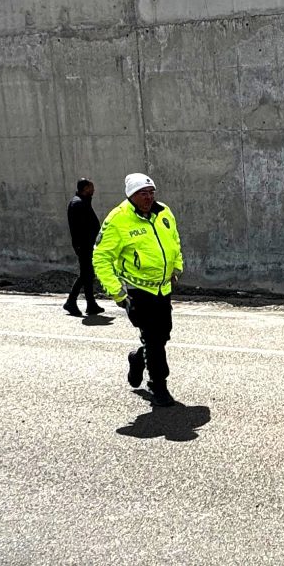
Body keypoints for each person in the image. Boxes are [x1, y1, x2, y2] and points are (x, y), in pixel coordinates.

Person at [93, 173, 183, 407]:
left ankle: (138, 359)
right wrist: (117, 292)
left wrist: (176, 267)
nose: (149, 198)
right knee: (153, 339)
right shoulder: (118, 219)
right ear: (131, 195)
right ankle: (158, 385)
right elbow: (101, 257)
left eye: (151, 193)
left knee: (163, 335)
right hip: (137, 290)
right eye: (143, 194)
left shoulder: (164, 212)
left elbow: (174, 241)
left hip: (162, 288)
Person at [63, 178, 105, 317]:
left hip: (86, 244)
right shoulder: (78, 203)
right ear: (86, 188)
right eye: (91, 187)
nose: (94, 190)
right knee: (85, 274)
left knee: (88, 274)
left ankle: (91, 304)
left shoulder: (83, 201)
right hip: (84, 245)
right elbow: (82, 228)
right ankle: (71, 301)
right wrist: (89, 244)